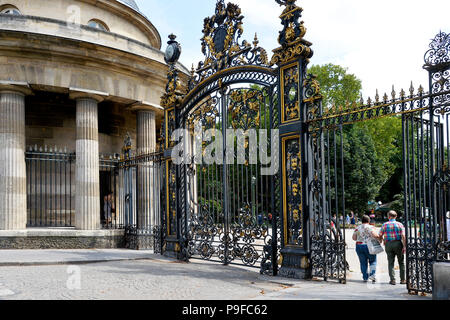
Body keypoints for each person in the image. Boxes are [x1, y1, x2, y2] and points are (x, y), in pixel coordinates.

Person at [378, 211, 406, 285]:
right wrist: (405, 246)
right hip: (398, 243)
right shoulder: (400, 224)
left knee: (390, 262)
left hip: (388, 244)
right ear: (396, 216)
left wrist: (382, 240)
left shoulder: (385, 224)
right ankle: (403, 279)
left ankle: (392, 280)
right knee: (401, 262)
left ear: (388, 216)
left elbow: (380, 234)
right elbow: (403, 235)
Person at [352, 215, 380, 282]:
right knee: (373, 261)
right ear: (369, 221)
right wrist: (379, 237)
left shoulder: (357, 228)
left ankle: (365, 277)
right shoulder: (371, 227)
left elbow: (354, 238)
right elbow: (374, 235)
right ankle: (372, 276)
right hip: (369, 245)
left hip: (359, 246)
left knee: (363, 262)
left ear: (362, 221)